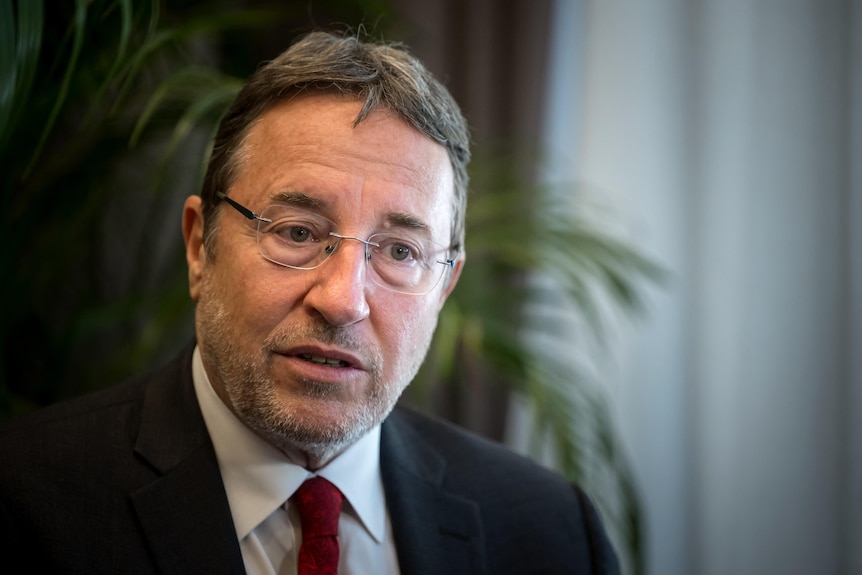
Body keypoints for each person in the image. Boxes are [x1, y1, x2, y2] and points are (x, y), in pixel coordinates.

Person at [0, 31, 620, 574]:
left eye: (400, 252)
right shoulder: (24, 497)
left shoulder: (552, 533)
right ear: (199, 248)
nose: (343, 300)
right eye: (298, 232)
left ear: (445, 287)